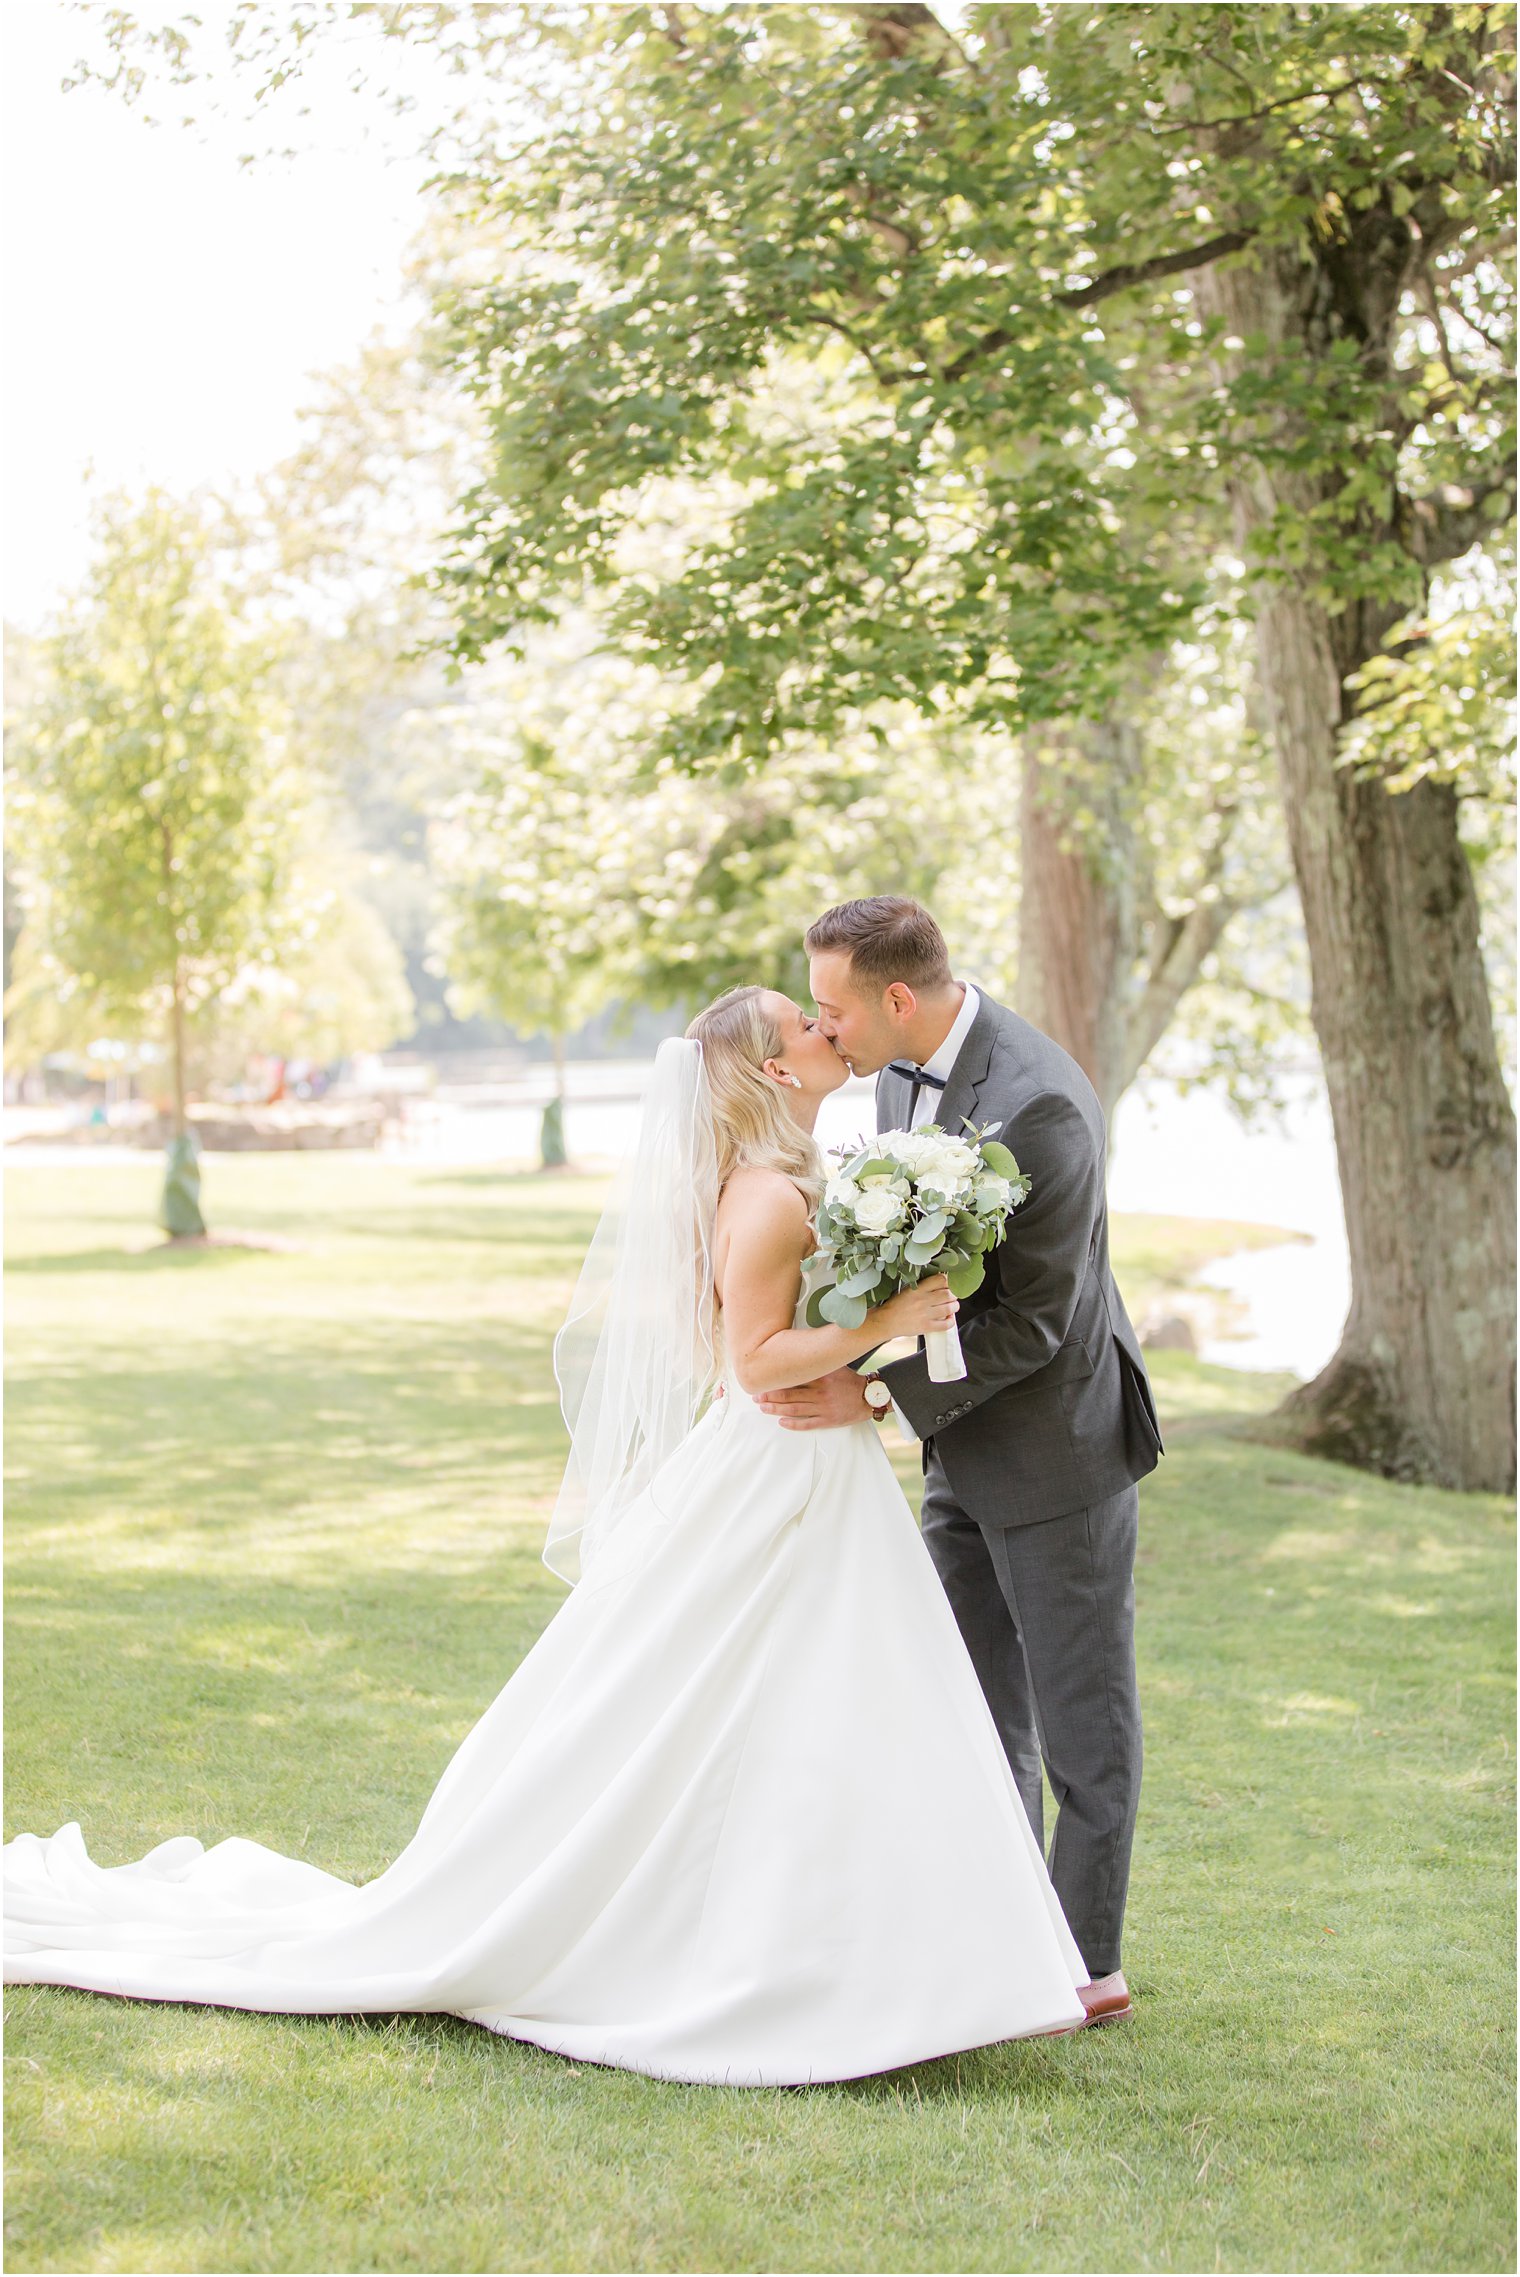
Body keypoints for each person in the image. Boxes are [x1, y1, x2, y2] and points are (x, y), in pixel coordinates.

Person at [3, 984, 1095, 2087]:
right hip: (780, 1469)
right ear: (771, 1069)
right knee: (775, 1698)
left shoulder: (804, 1175)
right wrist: (883, 1326)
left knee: (846, 1702)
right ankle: (805, 1961)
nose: (828, 1031)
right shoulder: (764, 1196)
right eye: (806, 1024)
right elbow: (754, 1361)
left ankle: (909, 1960)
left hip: (820, 1469)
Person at [753, 897, 1163, 2026]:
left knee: (1082, 1724)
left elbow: (1033, 1323)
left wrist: (874, 1387)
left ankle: (1088, 1964)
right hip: (957, 1448)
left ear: (895, 997)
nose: (821, 1028)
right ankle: (996, 1939)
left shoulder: (1038, 1106)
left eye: (831, 1009)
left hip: (1057, 1456)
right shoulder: (895, 1076)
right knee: (975, 1710)